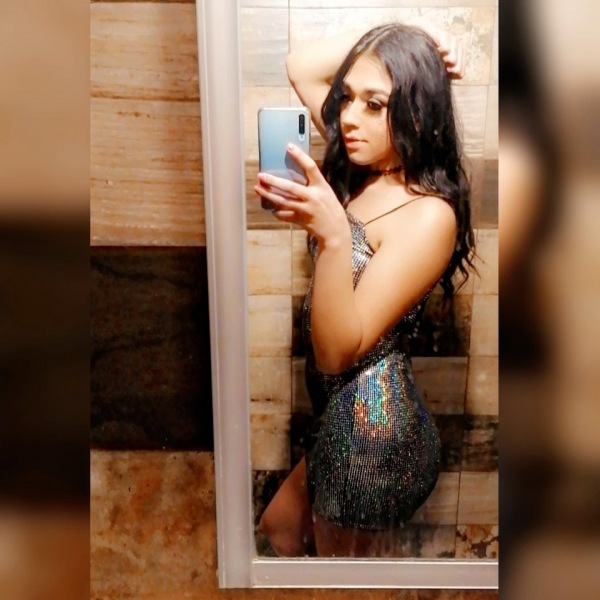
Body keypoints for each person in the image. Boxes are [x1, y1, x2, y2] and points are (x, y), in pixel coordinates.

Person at [254, 20, 475, 558]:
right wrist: (413, 32)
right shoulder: (366, 167)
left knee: (346, 586)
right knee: (280, 530)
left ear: (417, 113)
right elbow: (301, 65)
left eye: (374, 104)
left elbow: (335, 355)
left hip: (373, 440)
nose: (349, 117)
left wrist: (334, 236)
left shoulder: (429, 216)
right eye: (347, 97)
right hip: (341, 417)